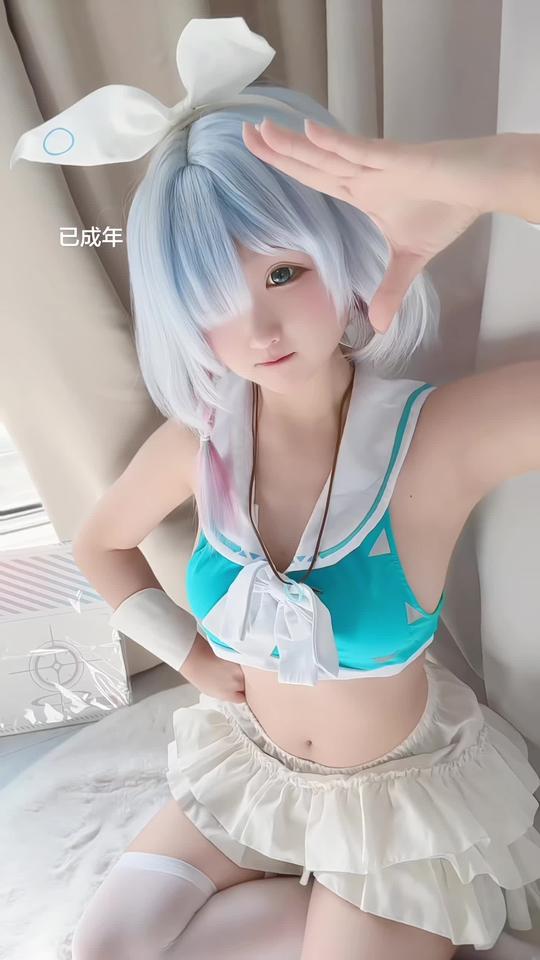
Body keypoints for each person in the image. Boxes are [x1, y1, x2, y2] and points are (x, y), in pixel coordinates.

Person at [12, 15, 540, 960]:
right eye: (211, 304)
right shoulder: (202, 441)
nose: (255, 331)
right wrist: (187, 656)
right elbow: (102, 540)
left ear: (344, 249)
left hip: (395, 810)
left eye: (284, 272)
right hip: (250, 772)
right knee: (102, 949)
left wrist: (475, 178)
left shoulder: (439, 441)